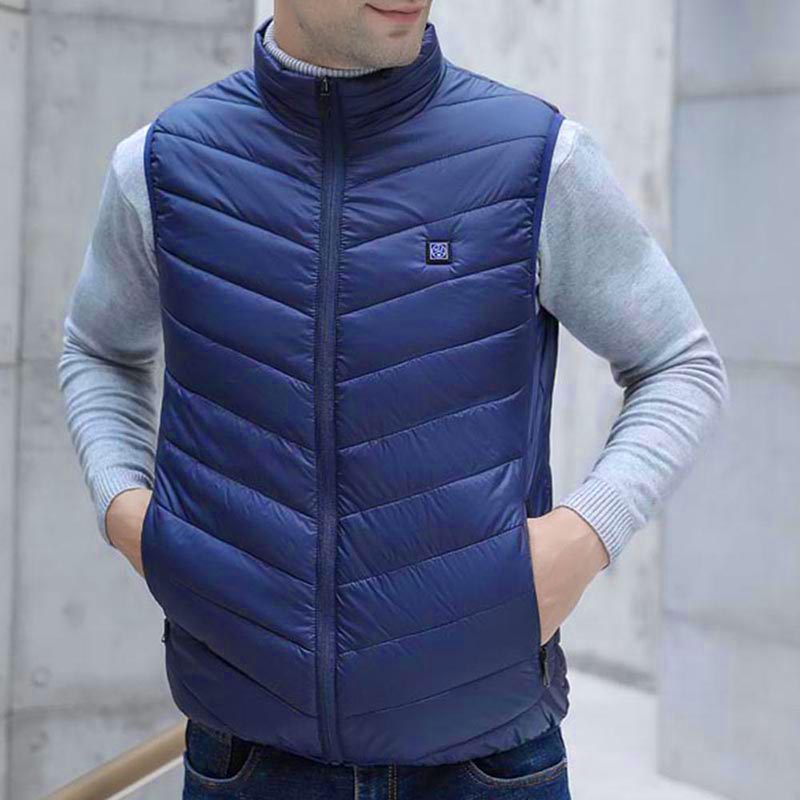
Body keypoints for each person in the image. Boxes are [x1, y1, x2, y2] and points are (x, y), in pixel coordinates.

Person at [57, 1, 730, 797]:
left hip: (487, 764)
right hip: (246, 757)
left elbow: (678, 363)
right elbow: (99, 348)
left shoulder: (534, 159)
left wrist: (581, 541)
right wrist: (128, 514)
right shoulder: (163, 166)